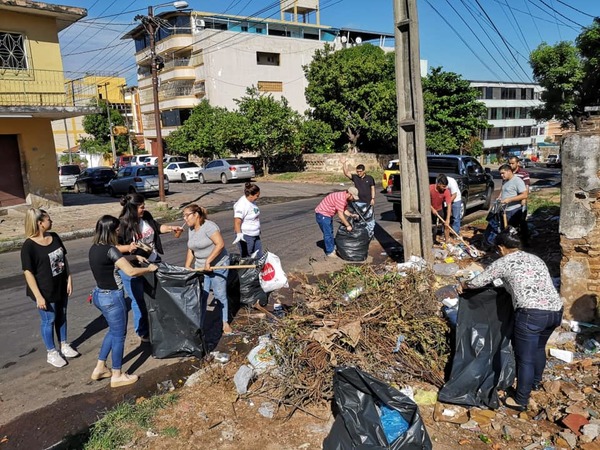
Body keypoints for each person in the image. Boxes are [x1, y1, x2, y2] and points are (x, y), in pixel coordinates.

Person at [461, 227, 563, 411]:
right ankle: (535, 383)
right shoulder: (535, 259)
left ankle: (521, 399)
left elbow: (477, 282)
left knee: (524, 358)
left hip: (532, 314)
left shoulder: (503, 262)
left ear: (501, 247)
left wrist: (463, 285)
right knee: (539, 348)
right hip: (555, 311)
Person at [88, 215, 158, 388]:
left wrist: (134, 257)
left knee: (113, 331)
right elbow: (131, 272)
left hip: (98, 294)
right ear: (111, 231)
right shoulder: (112, 249)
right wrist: (148, 268)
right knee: (119, 336)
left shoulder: (95, 248)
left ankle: (100, 367)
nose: (119, 232)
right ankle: (117, 374)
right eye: (118, 230)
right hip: (112, 297)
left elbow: (113, 261)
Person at [117, 193, 183, 343]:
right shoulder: (122, 225)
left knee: (155, 296)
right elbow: (115, 247)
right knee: (139, 300)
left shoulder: (146, 216)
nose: (143, 209)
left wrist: (172, 228)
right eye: (141, 207)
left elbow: (157, 227)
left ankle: (157, 325)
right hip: (134, 268)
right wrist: (129, 247)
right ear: (133, 208)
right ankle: (143, 331)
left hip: (153, 263)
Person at [21, 208, 78, 368]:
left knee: (62, 316)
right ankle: (51, 352)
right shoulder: (29, 246)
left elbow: (63, 259)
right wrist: (38, 296)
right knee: (49, 320)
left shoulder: (54, 237)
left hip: (61, 286)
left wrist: (69, 278)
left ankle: (64, 345)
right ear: (40, 223)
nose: (51, 222)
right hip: (44, 291)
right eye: (48, 220)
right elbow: (28, 273)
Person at [183, 204, 232, 334]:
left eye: (187, 215)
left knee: (219, 293)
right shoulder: (191, 229)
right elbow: (191, 248)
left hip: (218, 264)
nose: (185, 219)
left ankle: (224, 322)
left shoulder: (209, 227)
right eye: (183, 216)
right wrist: (187, 266)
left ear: (196, 215)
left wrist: (208, 261)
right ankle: (201, 324)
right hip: (200, 268)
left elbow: (220, 244)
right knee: (201, 296)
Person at [483, 164, 527, 247]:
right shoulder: (505, 181)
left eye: (503, 173)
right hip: (504, 211)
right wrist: (499, 199)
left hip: (513, 211)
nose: (501, 175)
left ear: (509, 171)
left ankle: (513, 248)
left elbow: (524, 195)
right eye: (500, 174)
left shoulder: (517, 181)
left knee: (511, 232)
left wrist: (509, 199)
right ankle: (503, 247)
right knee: (503, 230)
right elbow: (504, 192)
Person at [314, 187, 360, 257]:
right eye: (353, 197)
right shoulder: (341, 199)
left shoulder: (343, 197)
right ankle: (329, 252)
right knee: (328, 233)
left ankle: (332, 247)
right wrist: (348, 225)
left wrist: (351, 215)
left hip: (328, 215)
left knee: (330, 232)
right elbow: (341, 216)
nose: (353, 199)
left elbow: (344, 210)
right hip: (322, 214)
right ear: (349, 194)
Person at [343, 161, 376, 236]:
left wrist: (373, 198)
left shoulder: (370, 178)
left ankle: (370, 233)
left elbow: (372, 189)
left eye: (360, 171)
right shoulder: (355, 177)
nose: (358, 173)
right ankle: (360, 233)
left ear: (364, 171)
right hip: (358, 202)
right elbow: (346, 173)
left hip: (368, 202)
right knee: (358, 218)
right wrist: (344, 163)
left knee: (370, 218)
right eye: (357, 172)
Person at [232, 182, 262, 258]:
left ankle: (258, 269)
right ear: (251, 195)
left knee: (259, 256)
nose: (258, 197)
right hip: (247, 236)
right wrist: (239, 234)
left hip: (255, 234)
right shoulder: (242, 204)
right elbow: (237, 221)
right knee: (248, 258)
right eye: (257, 196)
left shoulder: (252, 201)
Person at [508, 156, 530, 245]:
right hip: (510, 201)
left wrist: (524, 199)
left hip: (520, 200)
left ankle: (525, 241)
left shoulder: (523, 173)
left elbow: (526, 188)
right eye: (509, 163)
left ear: (518, 163)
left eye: (512, 163)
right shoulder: (507, 173)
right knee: (510, 222)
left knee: (522, 221)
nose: (511, 165)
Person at [430, 174, 452, 243]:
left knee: (446, 225)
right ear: (438, 184)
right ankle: (431, 240)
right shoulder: (430, 188)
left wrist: (448, 219)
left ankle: (447, 241)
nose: (444, 188)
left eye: (445, 186)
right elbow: (425, 201)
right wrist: (432, 209)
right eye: (443, 186)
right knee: (431, 225)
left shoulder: (446, 191)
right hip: (429, 209)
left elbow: (449, 204)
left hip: (439, 209)